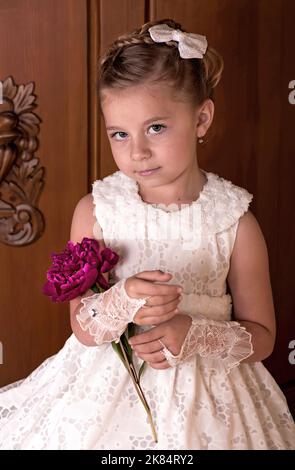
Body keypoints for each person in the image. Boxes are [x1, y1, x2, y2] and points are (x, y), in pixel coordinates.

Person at [0, 18, 294, 451]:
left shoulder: (234, 221)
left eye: (156, 128)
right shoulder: (97, 211)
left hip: (209, 401)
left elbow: (263, 336)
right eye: (119, 134)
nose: (137, 151)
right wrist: (124, 298)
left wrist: (194, 334)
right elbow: (83, 327)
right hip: (104, 392)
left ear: (201, 118)